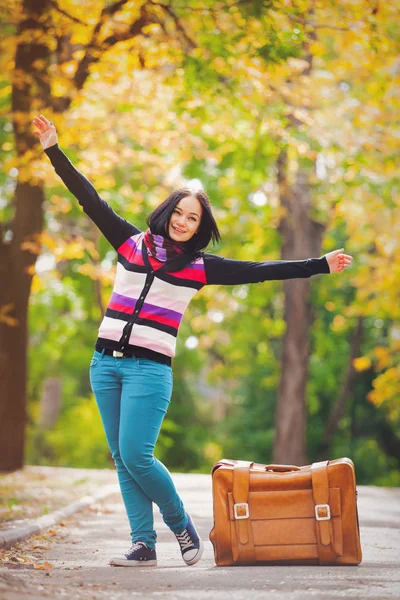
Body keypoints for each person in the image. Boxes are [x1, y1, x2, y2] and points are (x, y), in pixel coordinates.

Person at [33, 114, 353, 568]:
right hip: (104, 364)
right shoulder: (129, 243)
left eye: (193, 218)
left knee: (137, 455)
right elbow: (89, 199)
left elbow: (258, 271)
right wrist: (52, 149)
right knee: (121, 459)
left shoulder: (199, 267)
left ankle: (180, 522)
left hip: (149, 370)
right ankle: (142, 545)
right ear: (166, 212)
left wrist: (318, 264)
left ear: (200, 226)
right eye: (179, 212)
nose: (183, 222)